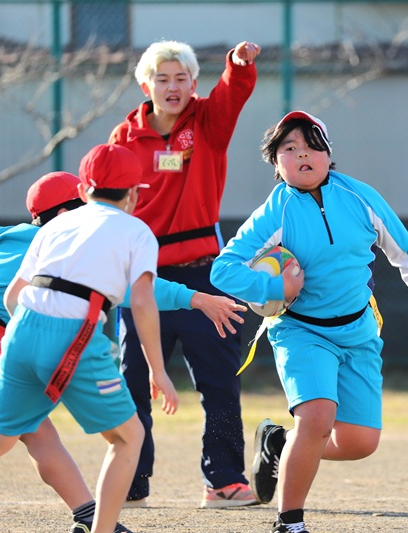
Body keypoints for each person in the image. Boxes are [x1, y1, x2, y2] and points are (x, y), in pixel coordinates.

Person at [0, 171, 246, 531]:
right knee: (24, 433)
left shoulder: (4, 234)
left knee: (31, 431)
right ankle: (91, 516)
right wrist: (194, 298)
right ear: (64, 214)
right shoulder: (69, 249)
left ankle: (87, 513)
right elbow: (139, 291)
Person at [210, 111, 408, 533]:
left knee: (360, 443)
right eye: (289, 149)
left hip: (358, 330)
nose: (303, 154)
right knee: (317, 419)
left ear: (328, 153)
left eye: (311, 145)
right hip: (300, 331)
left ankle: (280, 444)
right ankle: (289, 522)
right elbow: (223, 269)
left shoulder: (360, 196)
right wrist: (274, 290)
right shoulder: (275, 211)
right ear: (276, 163)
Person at [108, 38, 262, 508]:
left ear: (194, 84)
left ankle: (223, 480)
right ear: (144, 84)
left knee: (219, 378)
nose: (172, 87)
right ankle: (131, 482)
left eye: (181, 78)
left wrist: (237, 66)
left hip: (204, 276)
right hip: (144, 278)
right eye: (162, 78)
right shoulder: (124, 138)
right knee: (133, 380)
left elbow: (232, 94)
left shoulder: (208, 123)